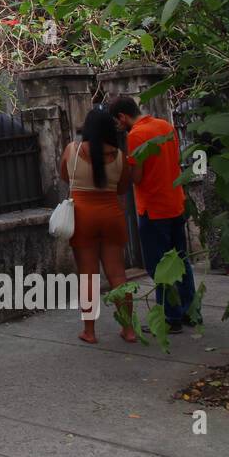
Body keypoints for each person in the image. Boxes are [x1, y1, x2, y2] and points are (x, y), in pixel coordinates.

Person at [108, 95, 197, 332]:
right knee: (180, 260)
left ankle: (170, 317)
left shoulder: (135, 135)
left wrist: (124, 170)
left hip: (153, 208)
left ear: (122, 117)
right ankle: (190, 310)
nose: (118, 127)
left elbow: (137, 177)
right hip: (175, 202)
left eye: (117, 122)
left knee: (159, 266)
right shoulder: (165, 125)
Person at [58, 108, 136, 345]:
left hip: (83, 217)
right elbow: (123, 188)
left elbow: (64, 176)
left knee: (88, 276)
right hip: (112, 216)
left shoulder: (72, 150)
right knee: (118, 275)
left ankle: (90, 331)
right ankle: (129, 329)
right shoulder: (120, 156)